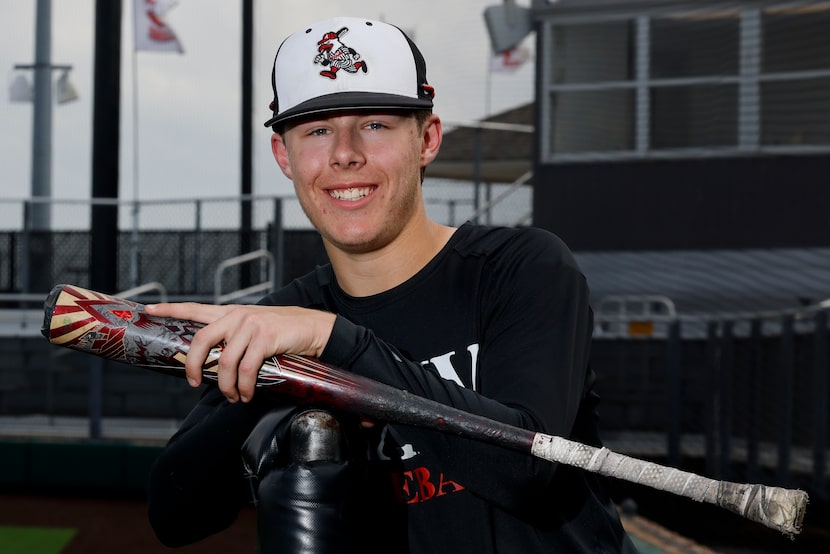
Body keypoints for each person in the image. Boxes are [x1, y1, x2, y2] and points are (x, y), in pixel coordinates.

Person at [145, 16, 638, 553]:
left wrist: (336, 344)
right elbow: (175, 515)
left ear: (426, 139)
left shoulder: (519, 267)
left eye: (375, 124)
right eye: (317, 130)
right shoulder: (285, 323)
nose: (344, 153)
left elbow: (524, 469)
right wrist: (262, 390)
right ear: (284, 156)